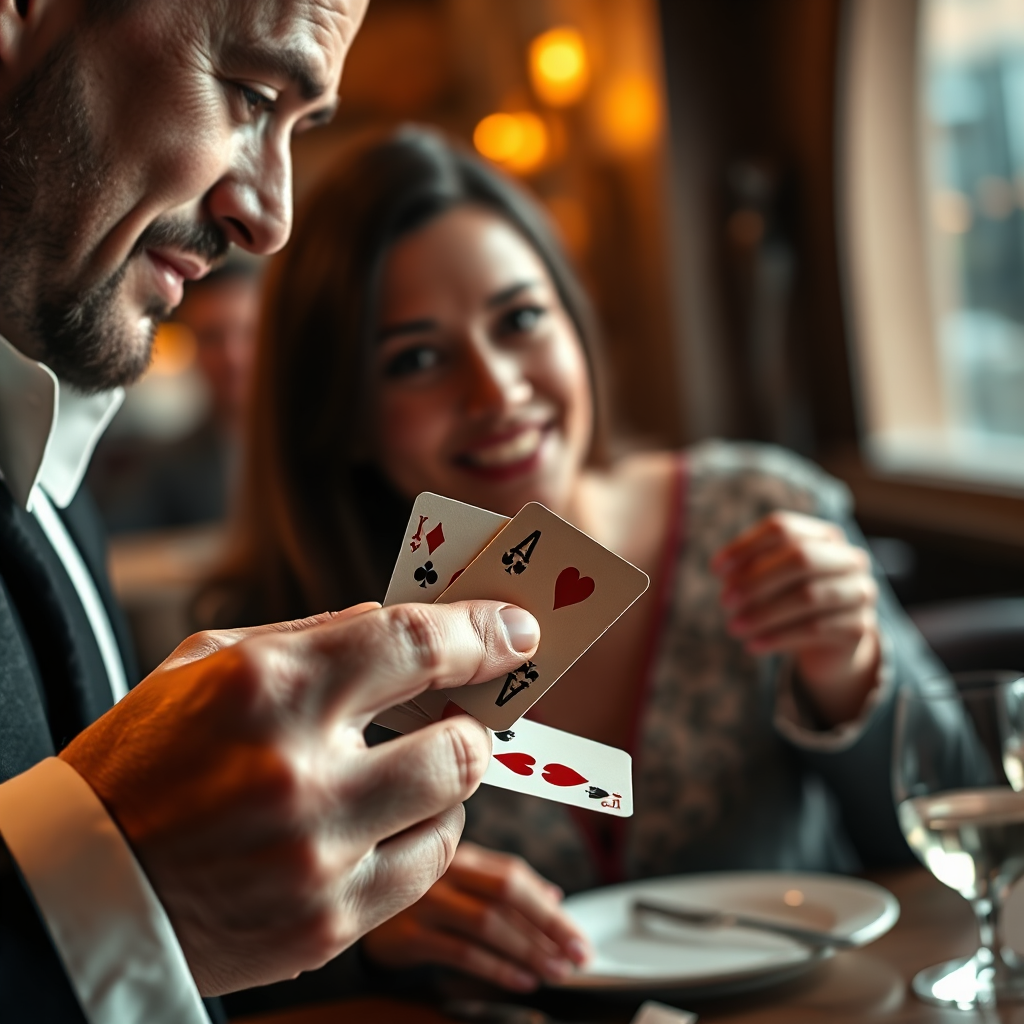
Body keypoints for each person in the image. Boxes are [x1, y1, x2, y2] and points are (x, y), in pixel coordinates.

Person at [205, 125, 955, 994]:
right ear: (340, 411)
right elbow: (207, 973)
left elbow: (967, 844)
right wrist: (362, 930)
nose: (497, 391)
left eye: (521, 319)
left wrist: (852, 672)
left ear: (575, 321)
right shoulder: (288, 643)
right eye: (416, 359)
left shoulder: (762, 512)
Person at [0, 5, 544, 1023]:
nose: (271, 216)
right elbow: (103, 901)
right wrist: (110, 893)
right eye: (251, 95)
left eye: (302, 125)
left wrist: (349, 948)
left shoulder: (42, 449)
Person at [90, 256, 260, 532]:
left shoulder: (321, 448)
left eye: (248, 332)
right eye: (212, 337)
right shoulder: (163, 467)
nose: (233, 356)